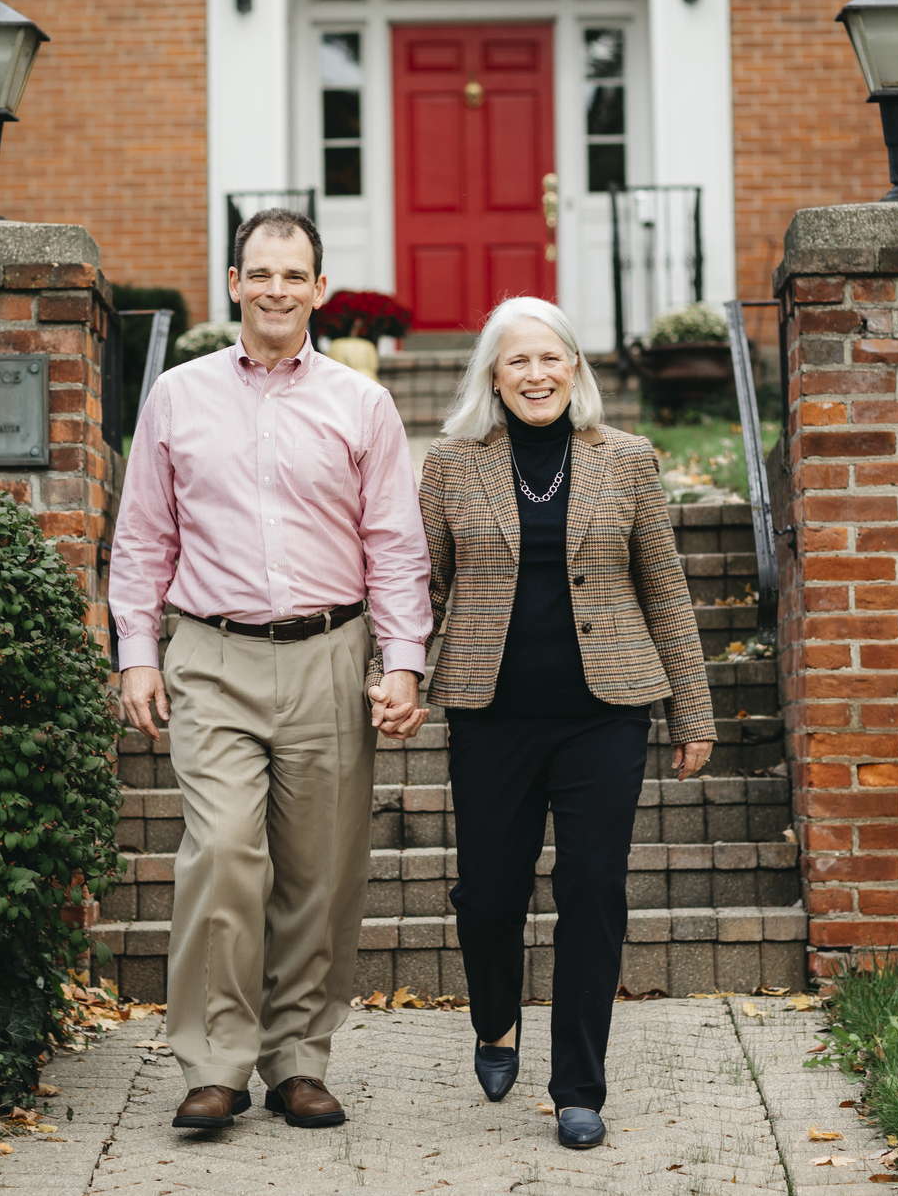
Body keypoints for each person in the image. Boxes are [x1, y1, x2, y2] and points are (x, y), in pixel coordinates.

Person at [109, 208, 431, 1132]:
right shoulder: (176, 394)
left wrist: (401, 660)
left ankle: (298, 1061)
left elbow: (395, 546)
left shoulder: (360, 404)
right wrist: (137, 651)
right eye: (261, 273)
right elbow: (142, 538)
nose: (278, 290)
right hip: (211, 655)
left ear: (320, 289)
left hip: (331, 654)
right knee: (221, 854)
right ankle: (216, 1062)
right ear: (236, 282)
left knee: (320, 870)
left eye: (295, 275)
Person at [417, 297, 714, 1150]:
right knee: (488, 896)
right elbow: (421, 587)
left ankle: (579, 1085)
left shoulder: (626, 461)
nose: (537, 375)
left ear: (576, 369)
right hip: (490, 714)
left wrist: (691, 707)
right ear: (493, 375)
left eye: (553, 359)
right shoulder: (449, 464)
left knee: (593, 891)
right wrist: (391, 673)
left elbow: (664, 585)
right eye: (518, 361)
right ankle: (495, 1017)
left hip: (605, 713)